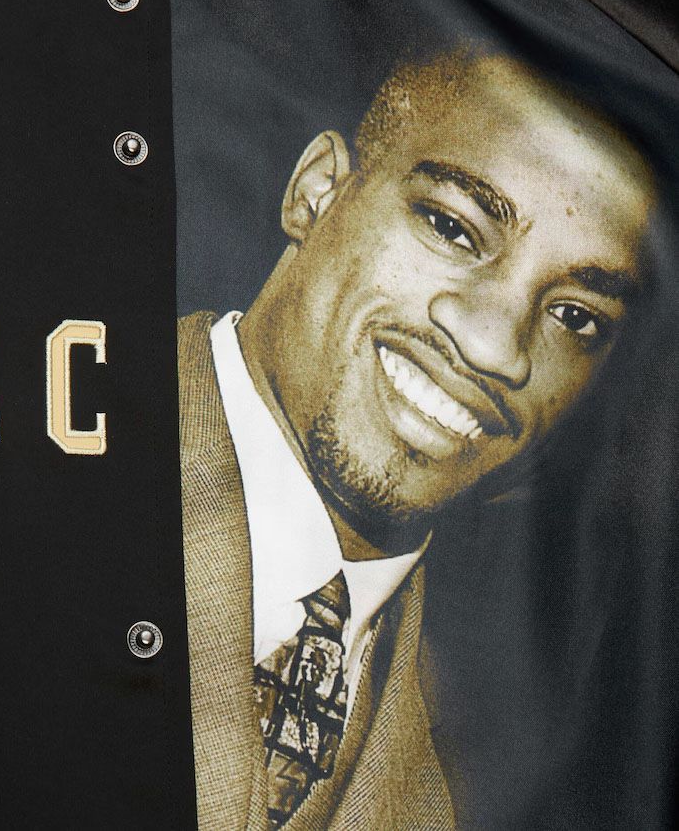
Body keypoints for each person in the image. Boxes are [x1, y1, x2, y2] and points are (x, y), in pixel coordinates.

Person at [177, 47, 656, 830]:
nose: (496, 347)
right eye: (453, 228)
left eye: (575, 316)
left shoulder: (543, 759)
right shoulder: (19, 466)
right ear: (317, 191)